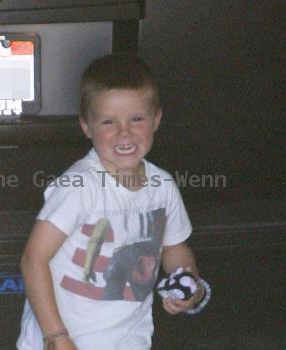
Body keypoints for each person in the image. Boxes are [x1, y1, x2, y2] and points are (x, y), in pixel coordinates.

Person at [17, 54, 206, 350]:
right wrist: (55, 336)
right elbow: (34, 258)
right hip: (65, 338)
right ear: (86, 126)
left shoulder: (163, 186)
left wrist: (188, 281)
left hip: (129, 338)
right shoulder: (79, 185)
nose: (124, 132)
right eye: (108, 122)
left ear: (155, 119)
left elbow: (174, 247)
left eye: (136, 119)